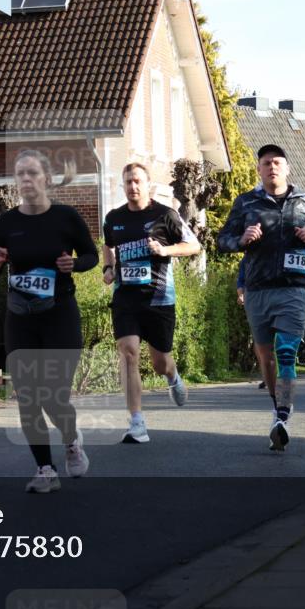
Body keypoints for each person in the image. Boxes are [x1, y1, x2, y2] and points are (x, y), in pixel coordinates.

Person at [0, 150, 96, 493]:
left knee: (53, 395)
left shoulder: (65, 217)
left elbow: (91, 255)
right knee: (28, 395)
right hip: (21, 318)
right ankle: (45, 469)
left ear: (46, 178)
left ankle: (71, 439)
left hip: (60, 315)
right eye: (20, 174)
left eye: (32, 173)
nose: (25, 179)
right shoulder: (6, 223)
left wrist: (74, 265)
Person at [217, 144, 305, 451]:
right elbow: (222, 240)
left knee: (286, 351)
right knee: (265, 356)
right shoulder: (246, 202)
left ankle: (282, 415)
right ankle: (277, 405)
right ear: (259, 170)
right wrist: (241, 240)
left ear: (287, 168)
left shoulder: (304, 200)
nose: (272, 167)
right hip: (258, 288)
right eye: (266, 163)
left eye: (277, 162)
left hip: (294, 288)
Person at [103, 163, 200, 444]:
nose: (133, 187)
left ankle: (173, 376)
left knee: (160, 363)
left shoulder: (165, 215)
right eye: (128, 182)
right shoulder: (114, 218)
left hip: (158, 298)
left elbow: (194, 245)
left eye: (137, 181)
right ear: (123, 186)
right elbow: (108, 245)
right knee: (128, 352)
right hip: (126, 298)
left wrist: (165, 249)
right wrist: (108, 268)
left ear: (148, 184)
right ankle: (137, 422)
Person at [238, 259, 267, 389]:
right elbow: (241, 281)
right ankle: (266, 374)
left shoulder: (274, 253)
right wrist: (241, 295)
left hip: (274, 300)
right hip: (255, 302)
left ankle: (280, 372)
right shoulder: (246, 261)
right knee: (259, 341)